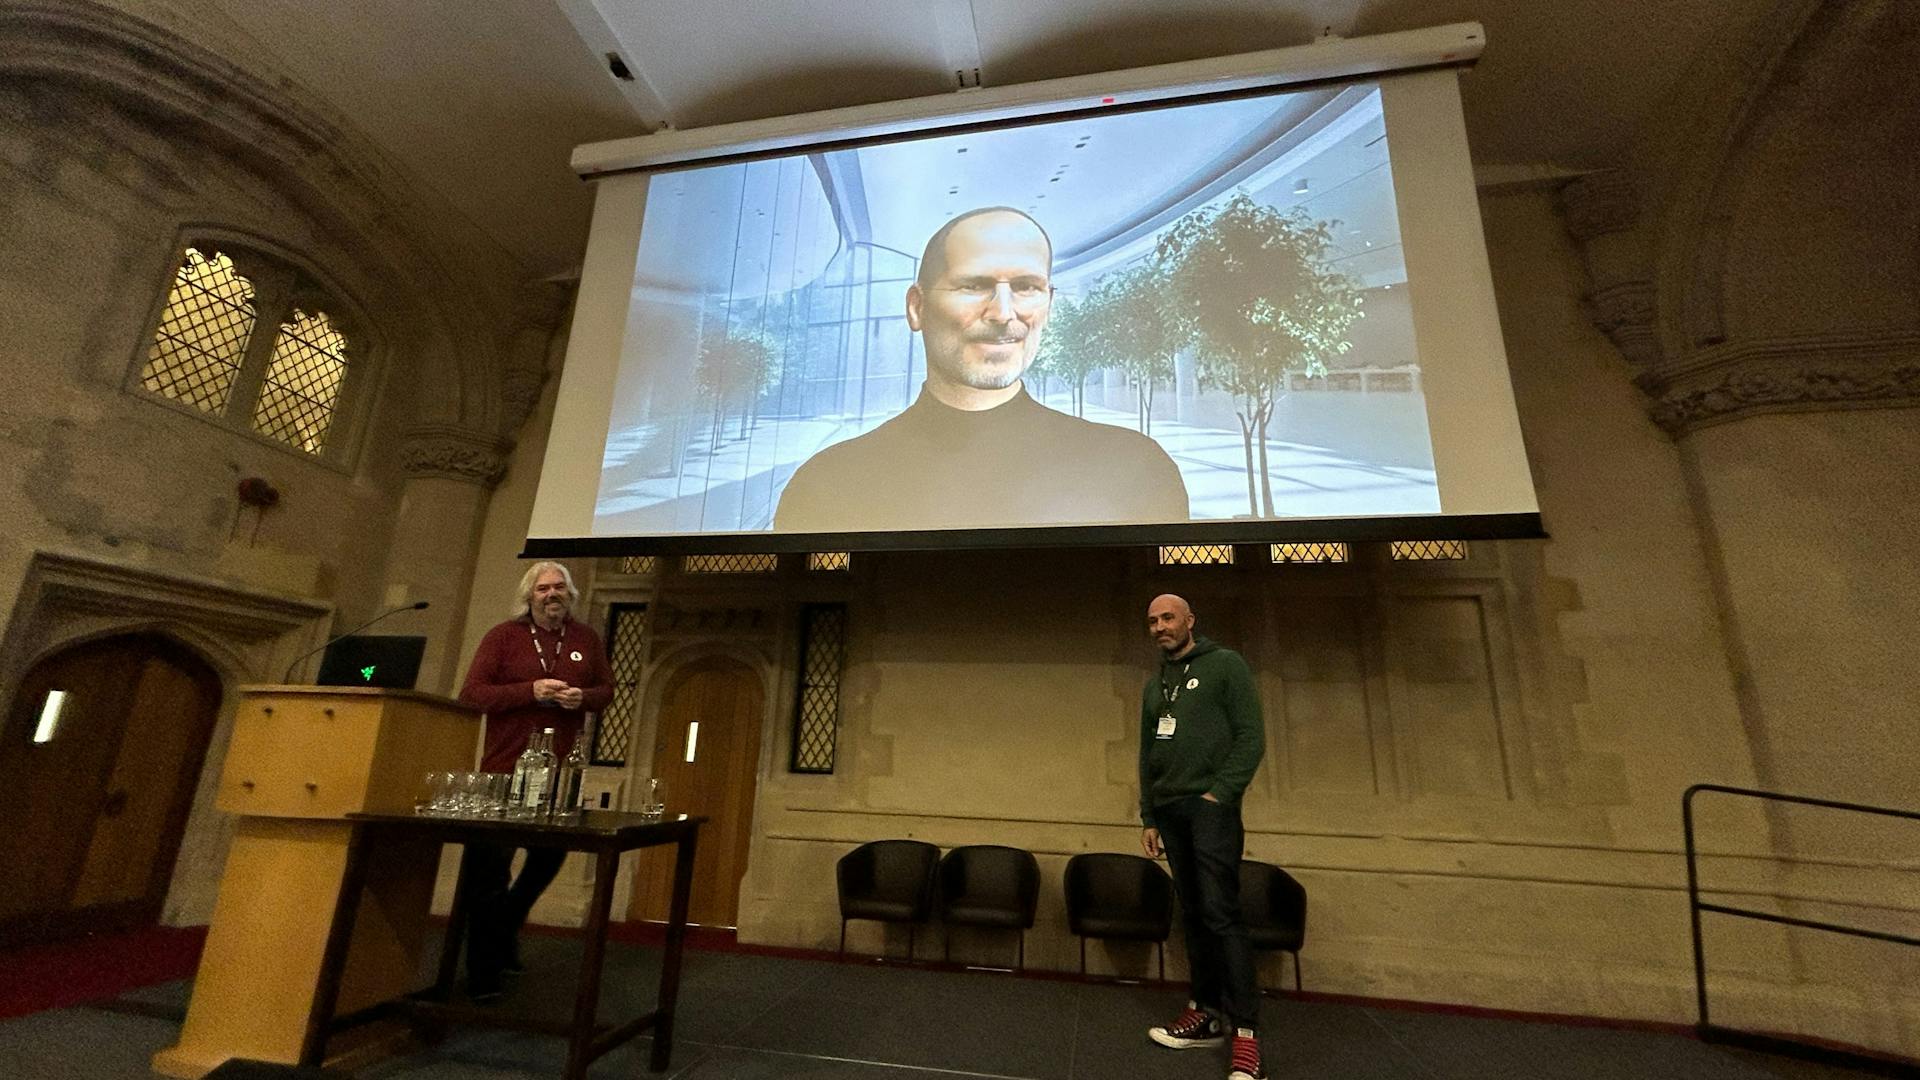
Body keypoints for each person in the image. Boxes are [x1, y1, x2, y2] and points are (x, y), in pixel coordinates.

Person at [773, 207, 1188, 532]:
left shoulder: (1137, 469)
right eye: (973, 286)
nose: (1004, 314)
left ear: (1049, 304)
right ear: (916, 308)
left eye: (1026, 287)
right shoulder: (826, 485)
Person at [456, 561, 613, 1000]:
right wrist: (531, 691)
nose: (552, 594)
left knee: (548, 857)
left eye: (559, 587)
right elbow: (473, 694)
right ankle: (484, 972)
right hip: (505, 769)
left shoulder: (585, 639)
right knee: (489, 871)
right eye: (543, 588)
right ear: (530, 596)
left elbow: (606, 691)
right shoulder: (503, 637)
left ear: (570, 594)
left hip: (560, 773)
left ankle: (506, 923)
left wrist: (582, 697)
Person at [1138, 593, 1267, 1080]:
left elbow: (1251, 735)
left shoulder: (1226, 666)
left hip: (1210, 810)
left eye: (1168, 617)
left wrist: (1221, 794)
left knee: (1220, 913)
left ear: (1190, 621)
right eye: (1152, 621)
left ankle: (1247, 1036)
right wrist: (1149, 815)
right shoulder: (1156, 687)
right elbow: (1146, 752)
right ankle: (1206, 1011)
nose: (1159, 627)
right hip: (1170, 812)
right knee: (1192, 914)